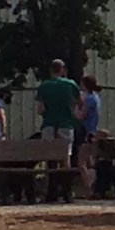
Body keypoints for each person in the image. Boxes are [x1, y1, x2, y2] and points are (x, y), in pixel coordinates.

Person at [35, 59, 82, 203]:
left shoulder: (44, 86)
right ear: (62, 69)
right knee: (65, 158)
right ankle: (66, 191)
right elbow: (79, 102)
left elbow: (40, 109)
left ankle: (51, 192)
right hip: (65, 124)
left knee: (50, 158)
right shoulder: (70, 84)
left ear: (51, 70)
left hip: (49, 124)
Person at [76, 76, 102, 195]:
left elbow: (81, 115)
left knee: (81, 163)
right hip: (94, 130)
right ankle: (93, 186)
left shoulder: (88, 99)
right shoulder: (96, 97)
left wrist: (74, 108)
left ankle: (89, 187)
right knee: (90, 162)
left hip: (86, 131)